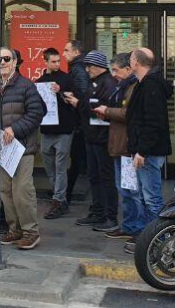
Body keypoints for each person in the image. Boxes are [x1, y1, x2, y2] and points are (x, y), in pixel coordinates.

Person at [0, 47, 46, 250]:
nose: (2, 62)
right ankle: (15, 230)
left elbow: (36, 113)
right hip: (3, 149)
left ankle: (31, 232)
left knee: (22, 189)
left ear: (15, 62)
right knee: (5, 190)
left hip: (22, 148)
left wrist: (15, 129)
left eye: (6, 59)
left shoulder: (26, 85)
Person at [123, 48, 172, 254]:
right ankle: (147, 237)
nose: (129, 63)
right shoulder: (145, 84)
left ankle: (157, 240)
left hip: (148, 152)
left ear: (136, 63)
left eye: (131, 59)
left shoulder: (150, 86)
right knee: (145, 195)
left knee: (151, 197)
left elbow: (153, 122)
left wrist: (142, 151)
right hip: (144, 150)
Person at [95, 53, 144, 242]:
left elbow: (128, 113)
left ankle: (137, 228)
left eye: (116, 70)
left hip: (126, 145)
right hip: (119, 144)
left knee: (132, 191)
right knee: (124, 188)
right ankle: (129, 226)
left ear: (128, 69)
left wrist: (106, 111)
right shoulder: (122, 86)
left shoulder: (133, 87)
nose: (113, 74)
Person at [66, 51, 118, 230]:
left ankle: (110, 216)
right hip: (92, 137)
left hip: (102, 138)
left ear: (97, 66)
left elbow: (102, 109)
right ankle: (98, 212)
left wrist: (79, 104)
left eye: (89, 66)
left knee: (106, 177)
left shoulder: (109, 83)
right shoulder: (95, 82)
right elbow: (91, 104)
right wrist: (80, 103)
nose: (87, 69)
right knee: (94, 177)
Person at [35, 47, 79, 220]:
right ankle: (60, 199)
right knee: (50, 167)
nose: (56, 64)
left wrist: (61, 91)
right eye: (52, 61)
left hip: (64, 129)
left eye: (58, 61)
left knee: (60, 167)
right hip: (47, 130)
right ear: (45, 62)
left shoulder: (66, 79)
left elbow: (75, 101)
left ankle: (58, 200)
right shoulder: (40, 81)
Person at [63, 40, 89, 203]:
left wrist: (70, 99)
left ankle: (67, 196)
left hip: (81, 124)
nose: (64, 53)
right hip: (82, 123)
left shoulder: (78, 69)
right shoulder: (78, 68)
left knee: (78, 161)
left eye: (67, 50)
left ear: (76, 52)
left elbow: (81, 93)